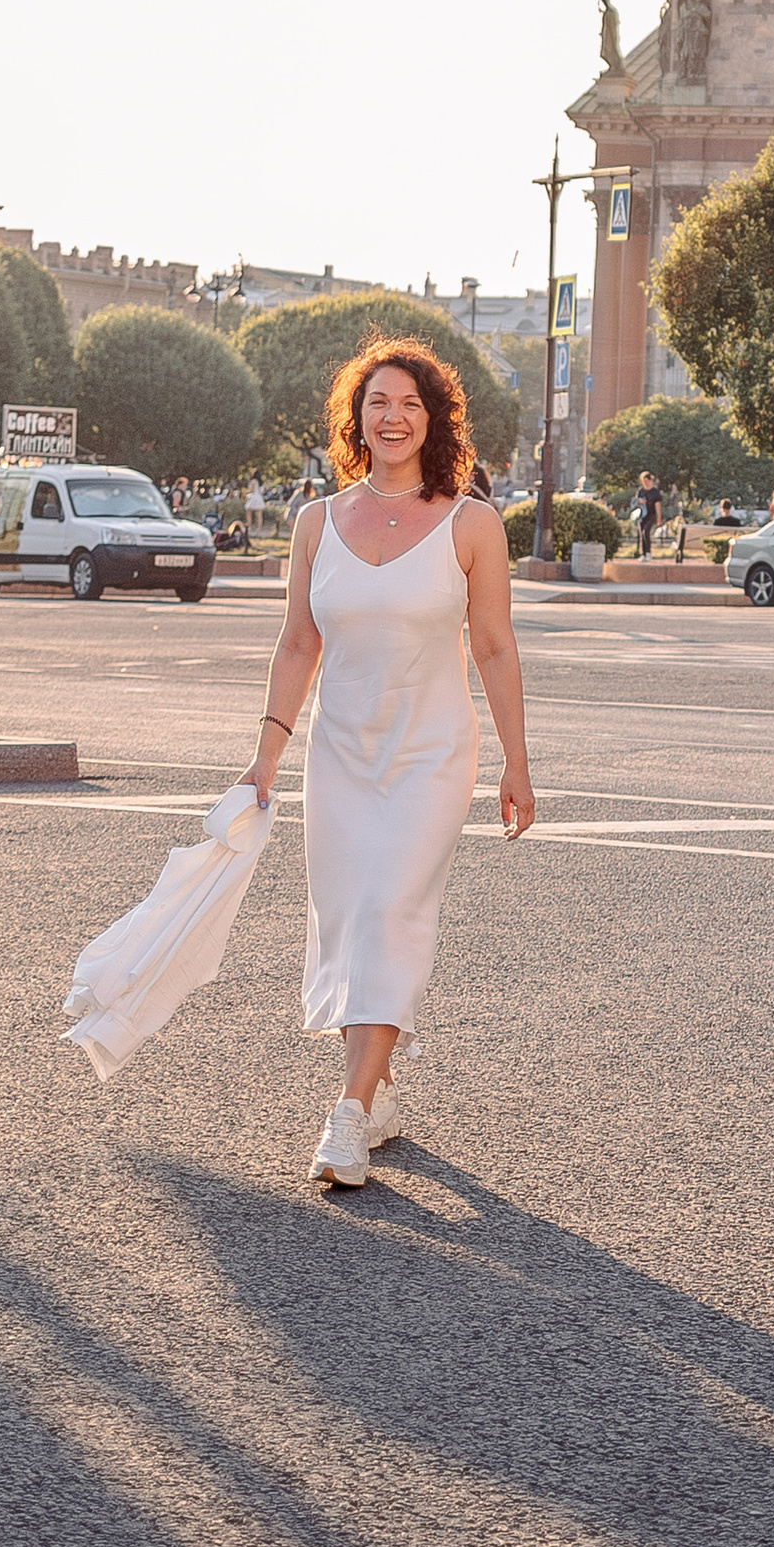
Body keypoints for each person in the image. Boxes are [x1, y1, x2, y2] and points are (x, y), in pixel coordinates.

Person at [236, 337, 533, 1192]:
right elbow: (298, 643)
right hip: (339, 754)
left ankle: (348, 1110)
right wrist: (264, 759)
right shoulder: (316, 522)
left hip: (432, 753)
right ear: (355, 420)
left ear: (433, 417)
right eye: (377, 403)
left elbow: (494, 646)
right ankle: (382, 1091)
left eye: (408, 403)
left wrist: (517, 764)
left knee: (390, 908)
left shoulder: (471, 523)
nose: (393, 417)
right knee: (346, 916)